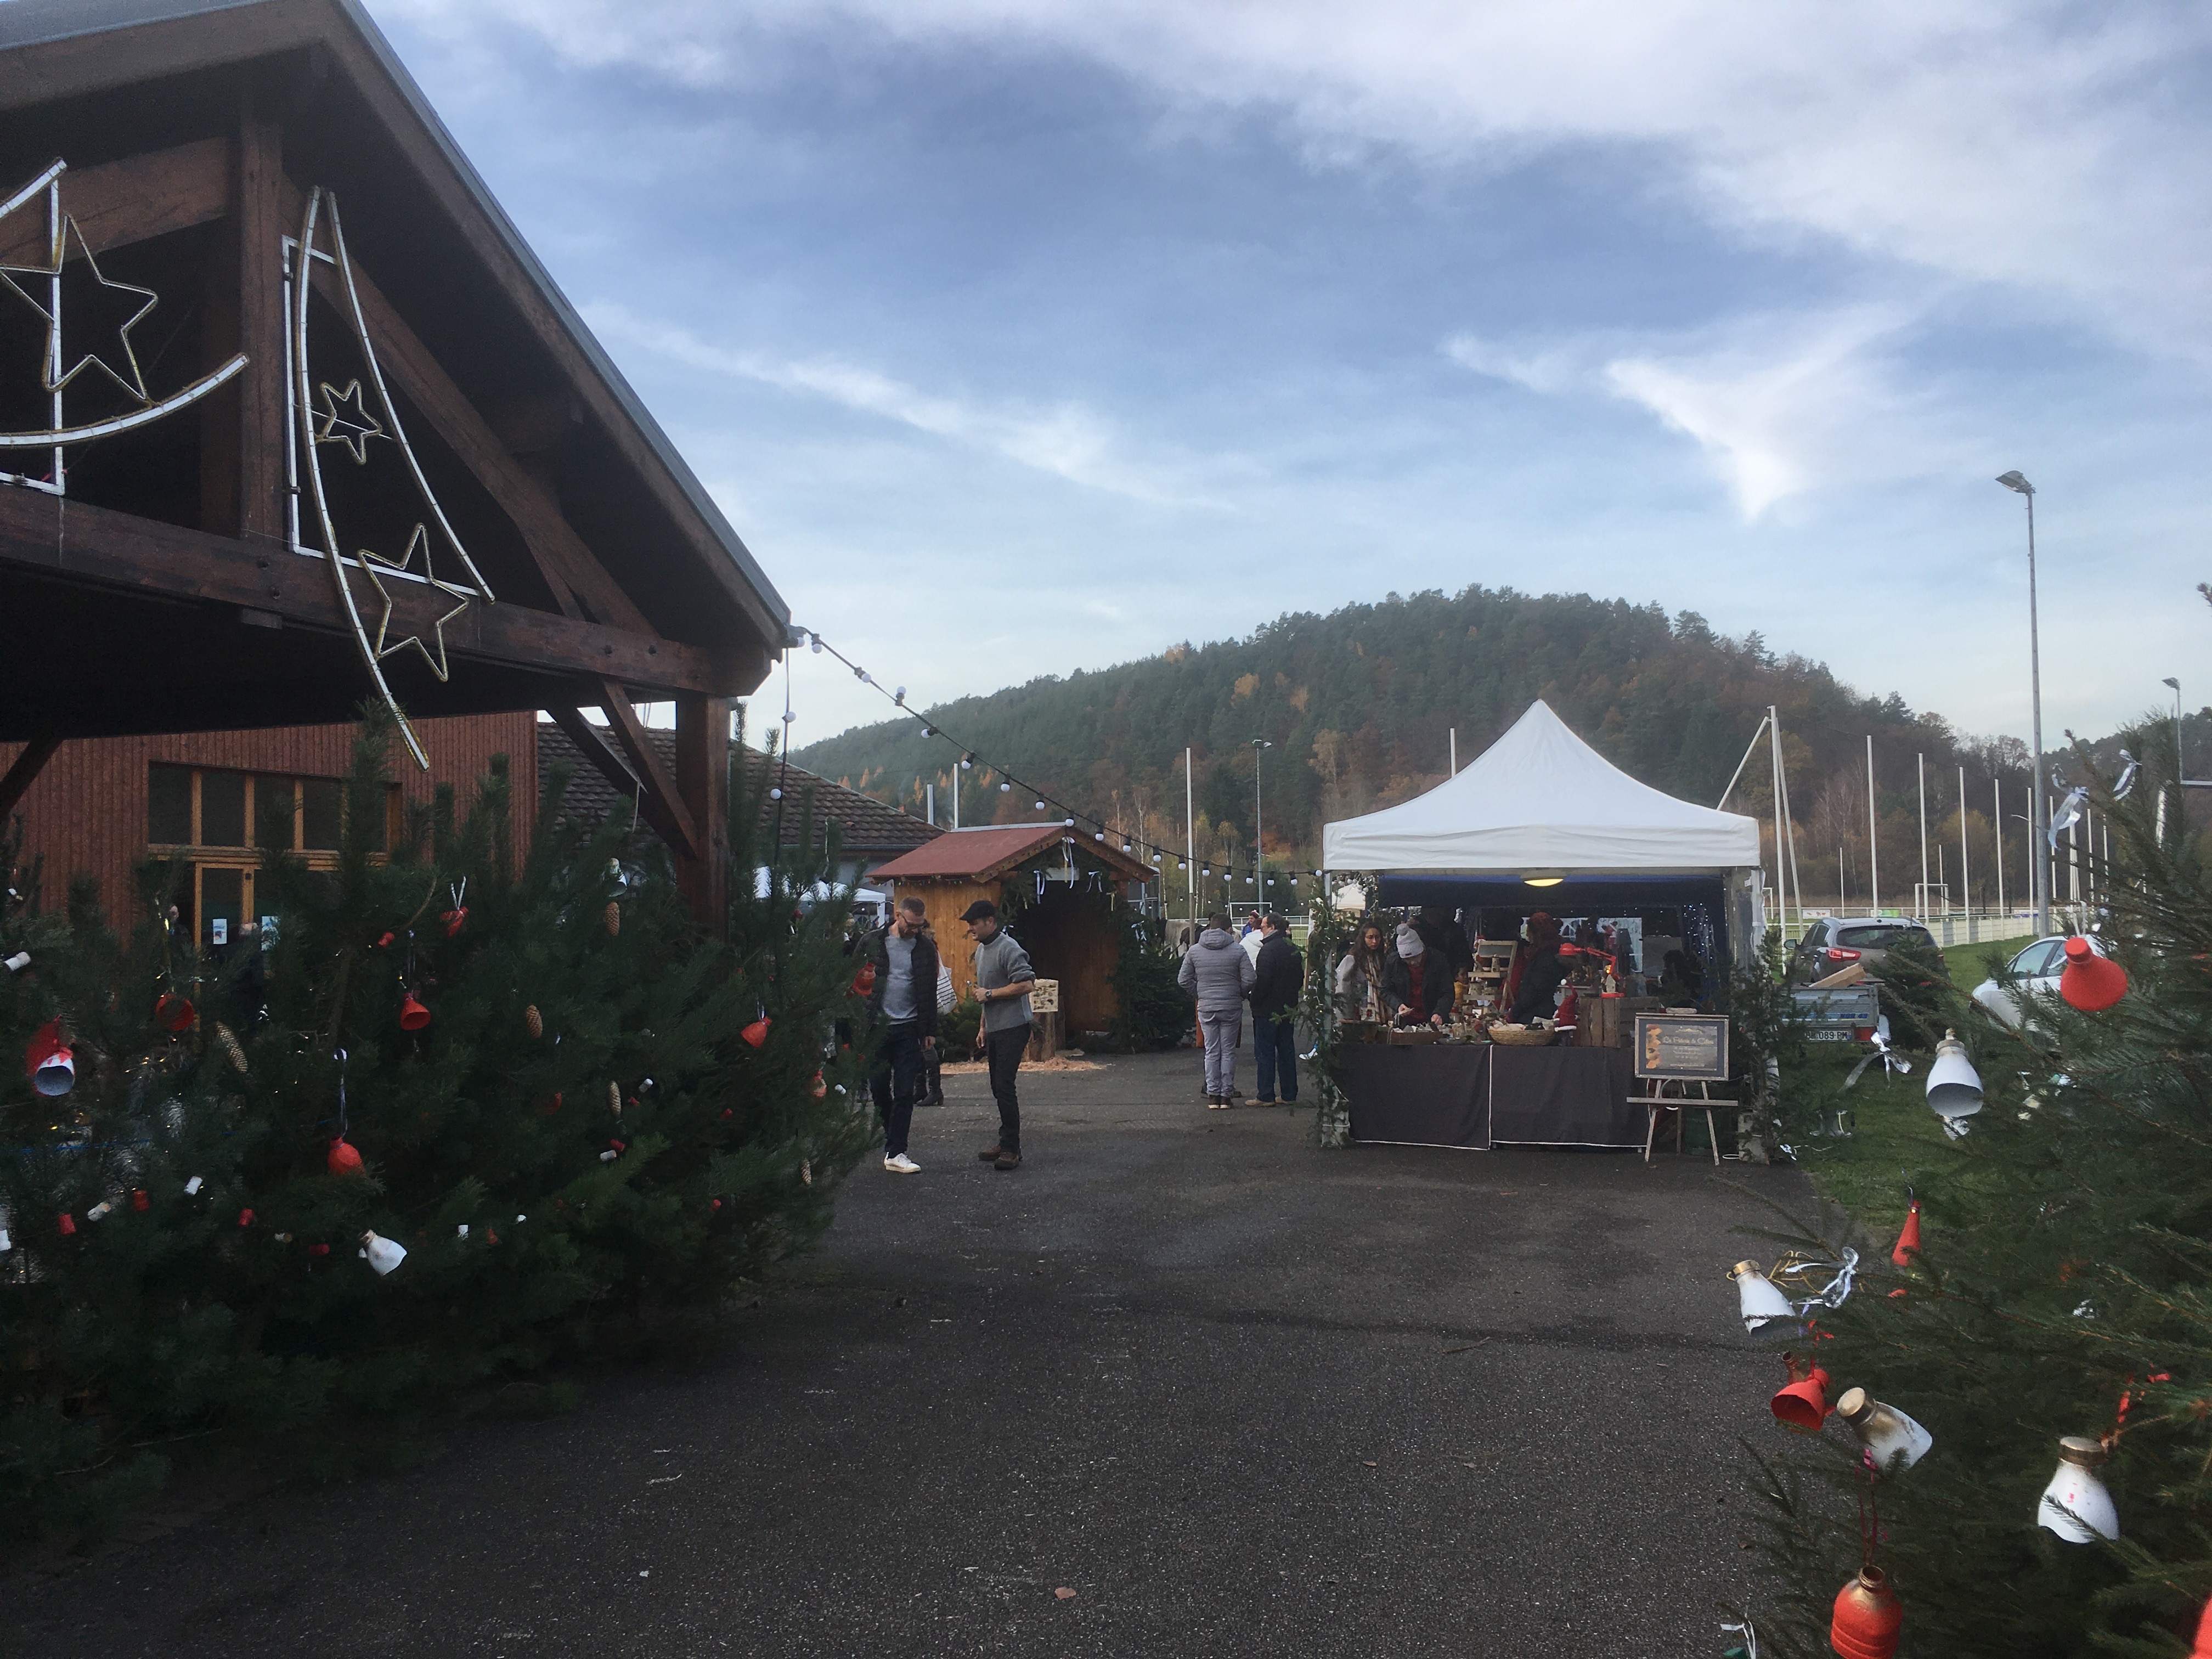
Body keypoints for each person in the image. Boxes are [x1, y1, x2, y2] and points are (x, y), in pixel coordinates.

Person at [863, 896, 939, 1173]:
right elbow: (853, 981)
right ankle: (890, 1140)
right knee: (880, 1089)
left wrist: (929, 1031)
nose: (915, 930)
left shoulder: (924, 948)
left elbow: (929, 990)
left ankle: (897, 1151)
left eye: (920, 926)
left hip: (909, 1027)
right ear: (898, 916)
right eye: (911, 924)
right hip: (877, 1027)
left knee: (906, 1091)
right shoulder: (873, 941)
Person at [963, 900, 1036, 1171]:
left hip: (1014, 1026)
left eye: (974, 923)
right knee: (997, 1086)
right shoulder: (982, 950)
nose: (970, 928)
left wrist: (990, 995)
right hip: (995, 1028)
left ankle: (1011, 1149)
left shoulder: (1009, 948)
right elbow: (987, 991)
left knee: (1004, 1086)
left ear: (990, 922)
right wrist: (983, 1026)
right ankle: (1005, 1141)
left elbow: (1027, 984)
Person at [1178, 910, 1256, 1108]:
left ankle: (1213, 1095)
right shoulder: (1238, 950)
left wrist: (1199, 993)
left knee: (1211, 1051)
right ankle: (1226, 1095)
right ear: (1229, 929)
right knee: (1228, 1051)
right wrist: (1239, 993)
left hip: (1206, 1006)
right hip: (1231, 1005)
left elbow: (1183, 980)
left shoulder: (1195, 951)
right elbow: (1250, 978)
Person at [1248, 912, 1305, 1105]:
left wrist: (1254, 1001)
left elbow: (1262, 981)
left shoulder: (1268, 950)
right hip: (1288, 1007)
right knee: (1286, 1051)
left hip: (1267, 1009)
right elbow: (1300, 979)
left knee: (1265, 1052)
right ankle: (1289, 1093)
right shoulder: (1292, 948)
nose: (1260, 930)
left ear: (1272, 927)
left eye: (1262, 927)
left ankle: (1266, 1094)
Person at [1381, 919, 1453, 1026]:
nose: (1413, 962)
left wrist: (1440, 1012)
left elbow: (1448, 992)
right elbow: (1385, 990)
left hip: (1433, 1020)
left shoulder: (1438, 960)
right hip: (1405, 1022)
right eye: (1407, 960)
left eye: (1415, 957)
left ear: (1422, 951)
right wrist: (1398, 1005)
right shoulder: (1393, 962)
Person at [1507, 912, 1570, 1024]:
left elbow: (1533, 992)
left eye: (1530, 931)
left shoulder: (1545, 959)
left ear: (1538, 934)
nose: (1527, 934)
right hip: (1537, 1014)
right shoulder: (1547, 955)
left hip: (1535, 1018)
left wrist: (1514, 1013)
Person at [1335, 921, 1390, 1023]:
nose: (1375, 941)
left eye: (1377, 937)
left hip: (1378, 1006)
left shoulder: (1380, 958)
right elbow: (1342, 985)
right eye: (1370, 937)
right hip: (1357, 1008)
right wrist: (1346, 1011)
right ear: (1363, 939)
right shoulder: (1353, 958)